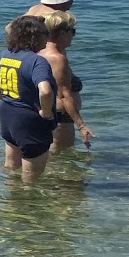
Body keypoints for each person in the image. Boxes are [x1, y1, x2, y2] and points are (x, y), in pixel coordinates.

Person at [0, 14, 58, 179]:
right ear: (33, 36)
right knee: (32, 178)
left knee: (11, 168)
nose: (48, 38)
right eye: (44, 33)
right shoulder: (37, 62)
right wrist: (46, 113)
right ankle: (27, 203)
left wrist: (1, 96)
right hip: (30, 121)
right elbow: (45, 91)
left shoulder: (5, 55)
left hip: (8, 114)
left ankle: (10, 201)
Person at [41, 12, 93, 152]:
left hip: (49, 114)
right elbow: (63, 95)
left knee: (54, 157)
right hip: (61, 117)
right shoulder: (57, 58)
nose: (73, 35)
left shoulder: (41, 51)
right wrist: (81, 125)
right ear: (62, 33)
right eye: (72, 31)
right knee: (60, 156)